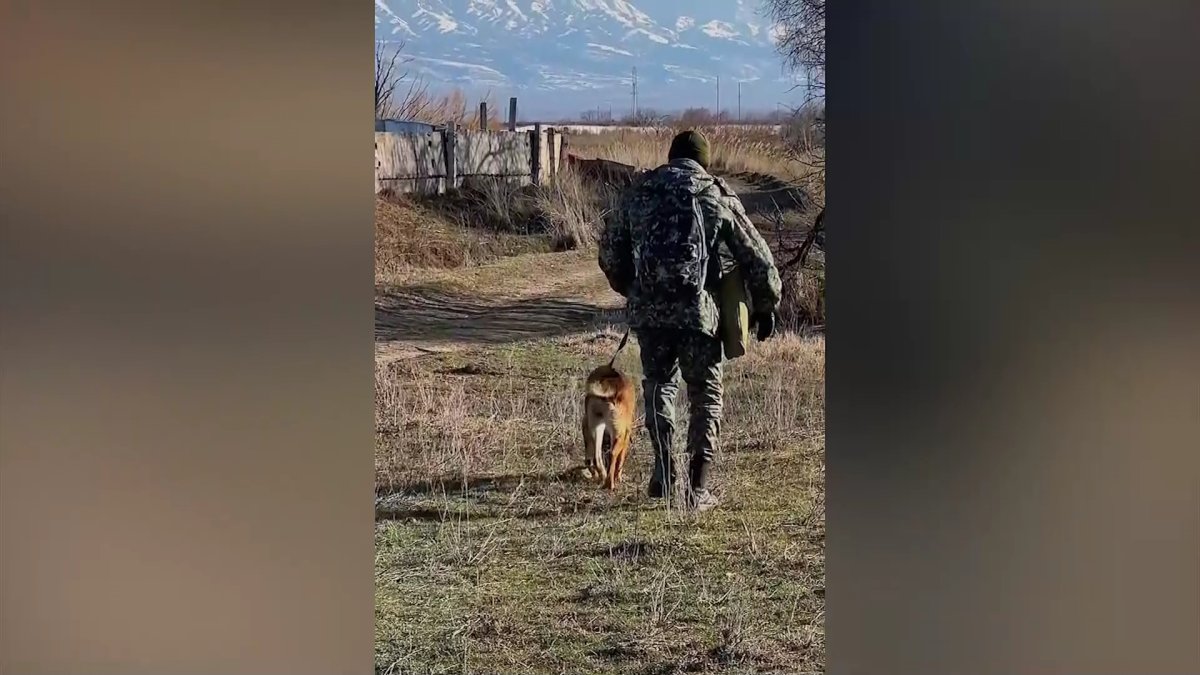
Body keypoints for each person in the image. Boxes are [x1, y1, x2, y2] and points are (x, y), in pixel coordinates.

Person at [598, 130, 782, 512]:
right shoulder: (713, 193)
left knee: (659, 386)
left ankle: (664, 472)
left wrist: (633, 289)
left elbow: (610, 254)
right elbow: (756, 255)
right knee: (704, 392)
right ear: (703, 161)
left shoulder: (641, 192)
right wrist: (766, 304)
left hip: (650, 315)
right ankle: (697, 488)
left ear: (671, 156)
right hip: (698, 312)